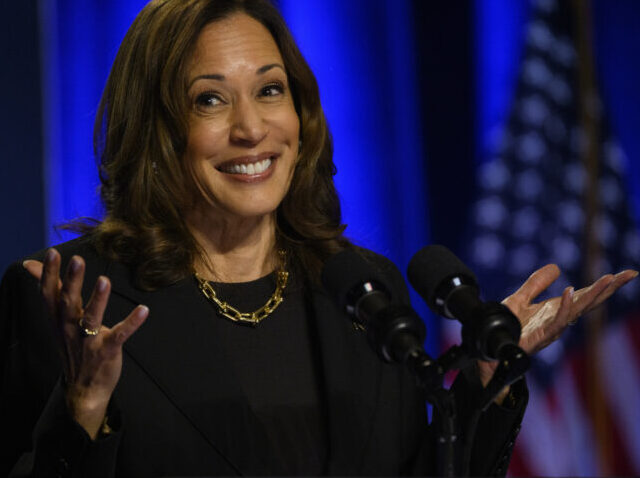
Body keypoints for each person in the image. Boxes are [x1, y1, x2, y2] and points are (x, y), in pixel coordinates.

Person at [0, 0, 636, 476]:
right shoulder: (73, 302)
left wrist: (487, 381)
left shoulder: (364, 290)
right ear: (157, 130)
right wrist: (82, 406)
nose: (252, 128)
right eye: (210, 101)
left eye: (270, 91)